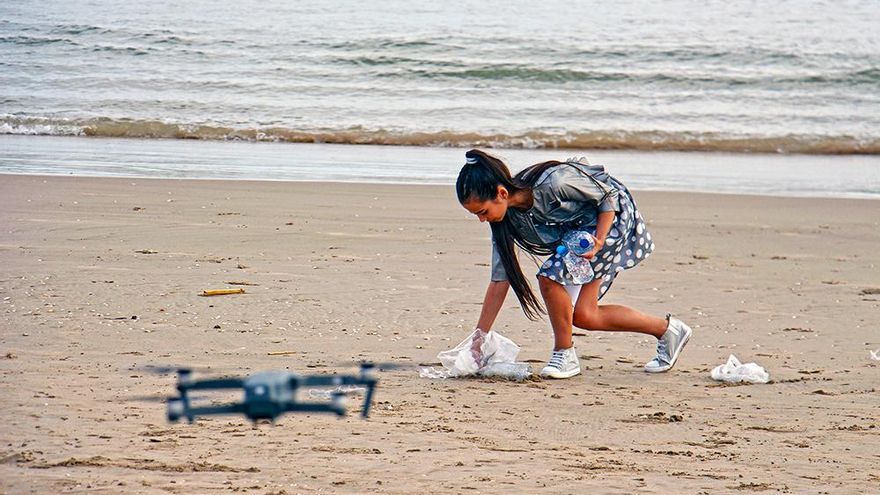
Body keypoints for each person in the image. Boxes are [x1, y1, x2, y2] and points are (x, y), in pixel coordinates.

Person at [455, 149, 692, 379]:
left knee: (549, 277)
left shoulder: (553, 183)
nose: (481, 219)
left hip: (610, 220)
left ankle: (564, 354)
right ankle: (668, 331)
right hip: (578, 235)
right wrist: (479, 339)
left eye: (483, 211)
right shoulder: (505, 222)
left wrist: (599, 240)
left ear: (501, 193)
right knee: (585, 315)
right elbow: (499, 281)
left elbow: (607, 196)